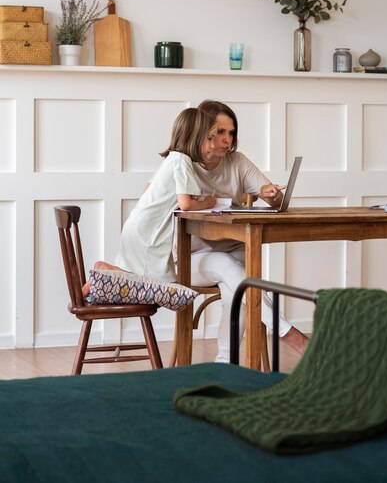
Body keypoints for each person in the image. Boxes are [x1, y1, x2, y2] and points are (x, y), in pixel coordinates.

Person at [187, 99, 309, 363]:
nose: (227, 139)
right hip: (191, 258)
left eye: (231, 133)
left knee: (237, 288)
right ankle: (293, 337)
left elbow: (273, 199)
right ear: (204, 131)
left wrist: (272, 195)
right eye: (220, 132)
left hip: (234, 251)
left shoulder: (237, 162)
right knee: (228, 267)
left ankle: (225, 366)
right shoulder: (184, 164)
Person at [84, 108, 217, 294]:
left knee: (142, 278)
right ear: (194, 137)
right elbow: (186, 204)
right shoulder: (182, 162)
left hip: (137, 228)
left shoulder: (172, 159)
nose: (213, 145)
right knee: (163, 286)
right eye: (209, 138)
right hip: (148, 236)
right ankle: (105, 277)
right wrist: (208, 203)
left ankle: (108, 274)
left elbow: (149, 189)